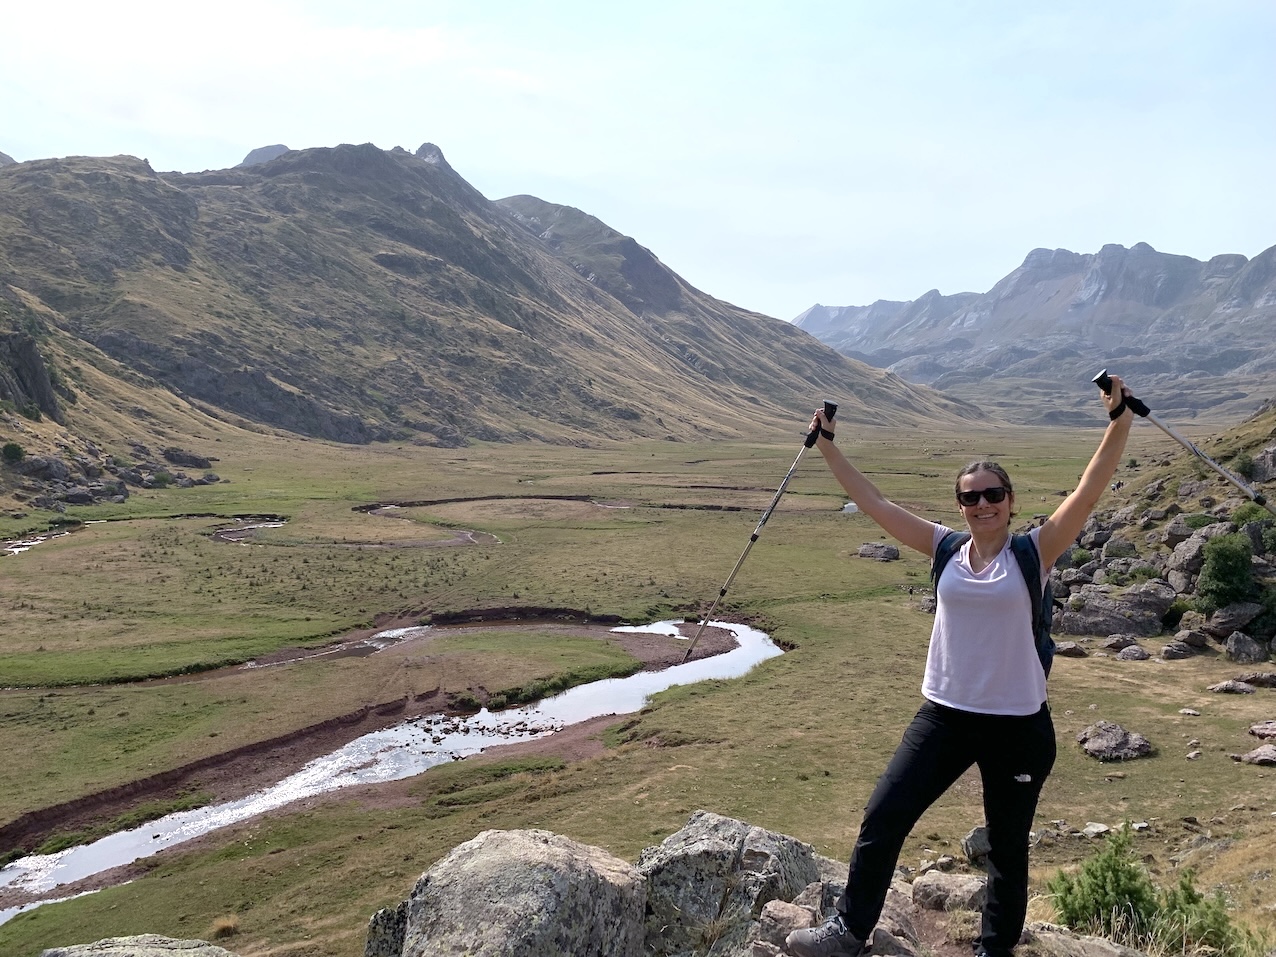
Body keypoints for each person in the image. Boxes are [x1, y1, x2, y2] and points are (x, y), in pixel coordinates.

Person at [785, 375, 1136, 957]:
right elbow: (873, 503)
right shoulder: (945, 548)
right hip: (944, 715)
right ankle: (848, 931)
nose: (982, 505)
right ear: (960, 506)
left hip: (1017, 725)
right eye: (970, 497)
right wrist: (826, 444)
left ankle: (992, 952)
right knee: (883, 817)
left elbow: (1090, 489)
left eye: (992, 494)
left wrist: (1119, 421)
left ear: (1011, 501)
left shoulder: (1035, 551)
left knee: (1006, 850)